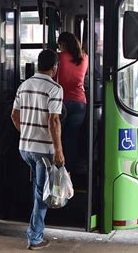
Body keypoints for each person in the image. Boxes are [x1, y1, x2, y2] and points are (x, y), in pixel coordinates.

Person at [11, 49, 65, 250]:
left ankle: (35, 230)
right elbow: (54, 120)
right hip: (43, 150)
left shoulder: (23, 86)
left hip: (25, 149)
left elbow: (14, 116)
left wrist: (26, 132)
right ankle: (35, 238)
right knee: (42, 194)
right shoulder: (54, 88)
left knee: (38, 190)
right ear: (55, 67)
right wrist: (58, 150)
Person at [57, 32, 89, 173]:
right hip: (80, 103)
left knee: (58, 137)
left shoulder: (60, 57)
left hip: (62, 102)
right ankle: (68, 173)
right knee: (72, 139)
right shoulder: (85, 58)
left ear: (63, 43)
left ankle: (59, 170)